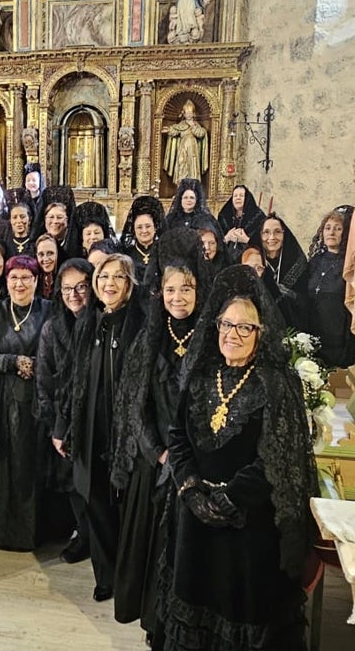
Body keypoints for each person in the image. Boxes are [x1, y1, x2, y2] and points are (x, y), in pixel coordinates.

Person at [160, 265, 315, 650]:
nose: (233, 334)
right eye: (227, 325)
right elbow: (178, 436)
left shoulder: (277, 384)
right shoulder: (198, 374)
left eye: (245, 327)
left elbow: (281, 455)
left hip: (250, 528)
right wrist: (192, 490)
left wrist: (231, 498)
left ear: (261, 333)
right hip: (195, 521)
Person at [111, 260, 201, 639]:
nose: (177, 298)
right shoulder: (149, 337)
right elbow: (135, 402)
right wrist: (157, 452)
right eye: (170, 290)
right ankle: (155, 620)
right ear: (160, 293)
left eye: (186, 289)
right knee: (153, 545)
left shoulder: (210, 336)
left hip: (197, 460)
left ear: (198, 292)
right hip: (156, 460)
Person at [65, 252, 145, 602]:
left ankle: (127, 574)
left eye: (118, 277)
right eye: (103, 277)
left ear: (130, 284)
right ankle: (106, 574)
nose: (109, 284)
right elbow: (75, 379)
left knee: (124, 506)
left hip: (124, 431)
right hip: (91, 427)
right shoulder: (91, 321)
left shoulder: (139, 322)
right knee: (94, 501)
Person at [0, 255, 50, 551]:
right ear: (6, 281)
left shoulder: (48, 311)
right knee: (2, 468)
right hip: (1, 403)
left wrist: (37, 364)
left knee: (31, 468)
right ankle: (0, 533)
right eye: (14, 278)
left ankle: (34, 534)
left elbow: (60, 352)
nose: (19, 283)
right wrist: (12, 362)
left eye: (26, 278)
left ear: (36, 281)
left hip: (36, 404)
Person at [37, 258, 95, 564]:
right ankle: (84, 535)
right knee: (72, 484)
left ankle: (97, 538)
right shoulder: (52, 327)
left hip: (96, 418)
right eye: (67, 288)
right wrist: (55, 427)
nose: (74, 294)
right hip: (63, 419)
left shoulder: (101, 321)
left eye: (81, 287)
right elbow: (44, 379)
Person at [307, 207, 355, 366]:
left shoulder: (349, 267)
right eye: (327, 228)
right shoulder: (315, 262)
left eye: (337, 228)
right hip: (313, 339)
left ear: (346, 233)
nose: (331, 232)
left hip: (339, 342)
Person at [252, 213, 309, 329]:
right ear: (260, 235)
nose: (272, 237)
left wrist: (285, 293)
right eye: (266, 232)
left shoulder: (298, 262)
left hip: (290, 327)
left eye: (277, 231)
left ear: (284, 235)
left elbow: (305, 302)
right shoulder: (252, 260)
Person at [162, 103, 210, 187]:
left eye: (190, 113)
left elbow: (201, 133)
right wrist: (168, 130)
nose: (189, 115)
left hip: (192, 148)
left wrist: (193, 126)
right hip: (183, 147)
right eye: (187, 113)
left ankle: (192, 188)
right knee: (181, 163)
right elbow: (175, 130)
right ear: (183, 114)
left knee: (192, 165)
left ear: (193, 114)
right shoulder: (181, 124)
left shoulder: (196, 125)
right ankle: (180, 187)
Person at [120, 196, 164, 284]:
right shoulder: (126, 254)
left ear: (155, 227)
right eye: (139, 227)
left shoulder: (164, 252)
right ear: (134, 229)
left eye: (148, 226)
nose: (144, 231)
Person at [218, 185, 265, 263]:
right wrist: (227, 237)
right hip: (226, 262)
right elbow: (215, 244)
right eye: (235, 196)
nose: (238, 198)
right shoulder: (224, 216)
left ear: (247, 198)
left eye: (241, 195)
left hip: (249, 260)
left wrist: (247, 240)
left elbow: (264, 244)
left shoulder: (258, 217)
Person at [35, 233, 61, 300]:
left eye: (50, 253)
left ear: (57, 254)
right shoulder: (33, 279)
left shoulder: (65, 278)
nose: (45, 259)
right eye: (41, 254)